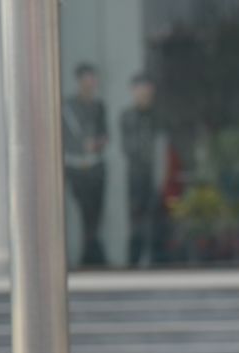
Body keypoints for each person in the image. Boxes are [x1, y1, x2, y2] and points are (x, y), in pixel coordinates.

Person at [63, 62, 109, 266]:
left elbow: (105, 135)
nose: (91, 83)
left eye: (93, 78)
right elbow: (64, 137)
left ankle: (91, 252)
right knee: (85, 211)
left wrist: (97, 143)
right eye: (87, 78)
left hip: (95, 166)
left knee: (95, 214)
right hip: (76, 167)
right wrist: (81, 146)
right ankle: (88, 255)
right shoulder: (68, 108)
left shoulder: (99, 106)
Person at [120, 73, 168, 266]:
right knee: (137, 223)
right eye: (139, 90)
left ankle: (156, 261)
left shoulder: (158, 116)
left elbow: (162, 148)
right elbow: (128, 148)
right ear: (133, 91)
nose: (143, 94)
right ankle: (134, 263)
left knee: (156, 222)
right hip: (136, 176)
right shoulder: (127, 116)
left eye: (146, 89)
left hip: (156, 176)